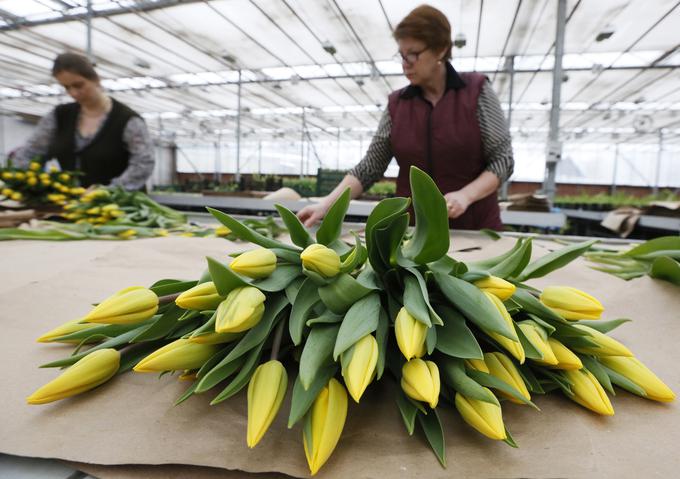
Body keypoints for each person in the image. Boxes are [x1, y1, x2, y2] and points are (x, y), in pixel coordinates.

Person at [298, 5, 513, 230]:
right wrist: (326, 204)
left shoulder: (476, 91)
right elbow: (370, 166)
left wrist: (466, 195)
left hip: (473, 230)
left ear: (440, 49)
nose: (405, 63)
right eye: (401, 54)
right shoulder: (398, 104)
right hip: (414, 233)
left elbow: (502, 160)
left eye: (413, 54)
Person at [13, 52, 154, 190]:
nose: (73, 93)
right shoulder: (59, 116)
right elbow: (29, 151)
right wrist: (26, 183)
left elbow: (143, 163)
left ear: (96, 79)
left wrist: (110, 191)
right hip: (69, 205)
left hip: (118, 207)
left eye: (79, 85)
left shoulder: (127, 120)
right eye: (66, 87)